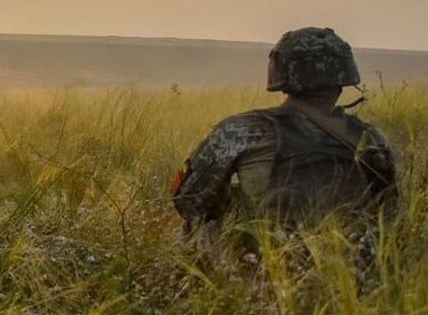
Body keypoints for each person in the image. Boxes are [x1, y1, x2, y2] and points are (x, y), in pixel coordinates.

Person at [170, 27, 397, 247]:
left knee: (195, 227)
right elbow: (390, 214)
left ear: (281, 73)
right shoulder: (371, 137)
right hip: (352, 263)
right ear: (343, 78)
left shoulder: (241, 130)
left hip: (261, 265)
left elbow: (190, 203)